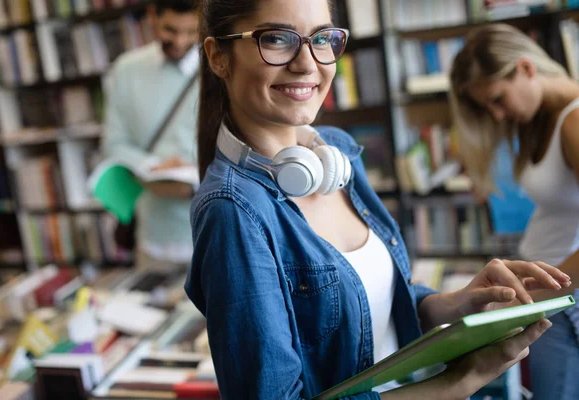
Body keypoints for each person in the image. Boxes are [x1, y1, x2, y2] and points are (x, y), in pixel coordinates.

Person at [184, 3, 570, 399]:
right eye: (278, 39)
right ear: (218, 57)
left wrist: (454, 305)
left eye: (322, 38)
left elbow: (372, 306)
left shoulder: (337, 152)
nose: (307, 63)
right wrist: (461, 380)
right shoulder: (232, 212)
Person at [450, 23, 579, 400]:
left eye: (497, 98)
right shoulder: (541, 118)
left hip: (561, 300)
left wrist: (536, 298)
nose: (498, 114)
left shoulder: (573, 122)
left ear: (525, 68)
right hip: (546, 289)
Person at [102, 0, 200, 272]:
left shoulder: (219, 70)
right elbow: (113, 144)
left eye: (191, 32)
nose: (180, 41)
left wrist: (194, 178)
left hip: (210, 234)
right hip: (153, 238)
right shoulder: (127, 69)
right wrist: (152, 168)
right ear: (152, 17)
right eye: (170, 30)